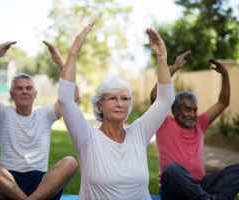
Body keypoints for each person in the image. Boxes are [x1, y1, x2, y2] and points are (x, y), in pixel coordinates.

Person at [52, 21, 174, 199]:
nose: (120, 103)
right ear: (99, 104)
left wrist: (162, 58)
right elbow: (65, 99)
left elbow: (165, 100)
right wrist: (73, 53)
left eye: (125, 99)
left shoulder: (139, 133)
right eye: (112, 98)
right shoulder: (87, 137)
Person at [0, 41, 78, 200]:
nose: (24, 91)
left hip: (41, 185)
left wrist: (59, 61)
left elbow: (73, 97)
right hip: (7, 183)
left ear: (35, 93)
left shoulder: (45, 114)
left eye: (28, 88)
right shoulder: (2, 113)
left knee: (70, 162)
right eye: (19, 88)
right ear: (12, 94)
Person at [149, 57, 239, 200]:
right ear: (175, 110)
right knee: (172, 170)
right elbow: (155, 97)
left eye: (195, 110)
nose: (193, 114)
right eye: (188, 109)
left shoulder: (200, 123)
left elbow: (222, 102)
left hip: (200, 185)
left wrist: (225, 75)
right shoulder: (163, 123)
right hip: (174, 188)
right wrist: (172, 70)